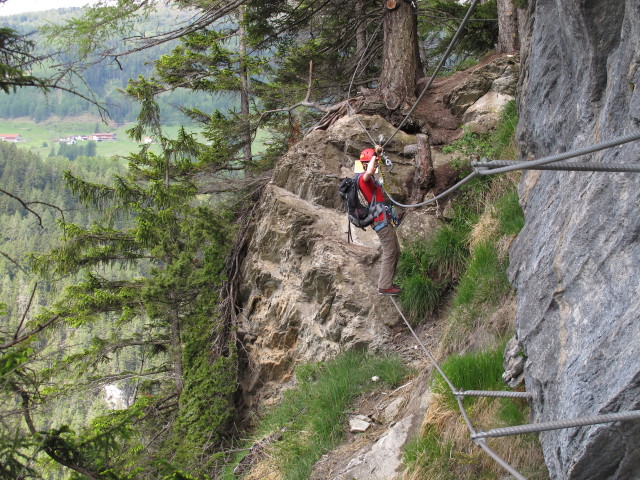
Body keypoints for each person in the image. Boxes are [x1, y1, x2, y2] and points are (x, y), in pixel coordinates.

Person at [355, 147, 402, 295]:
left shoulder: (369, 179)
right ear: (366, 164)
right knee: (390, 251)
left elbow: (371, 169)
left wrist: (377, 154)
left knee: (396, 250)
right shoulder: (363, 178)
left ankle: (388, 282)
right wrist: (374, 157)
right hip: (380, 221)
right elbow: (368, 172)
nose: (375, 166)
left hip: (383, 219)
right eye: (373, 163)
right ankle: (384, 285)